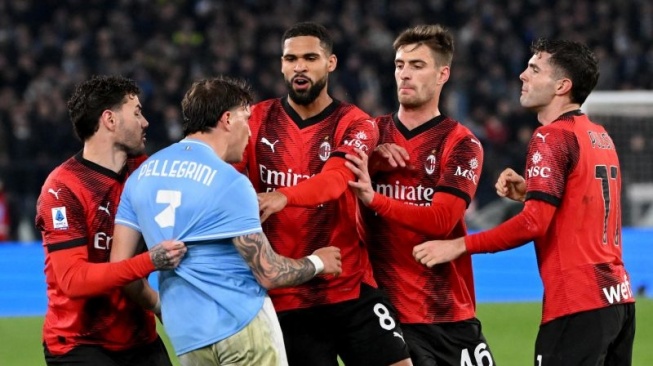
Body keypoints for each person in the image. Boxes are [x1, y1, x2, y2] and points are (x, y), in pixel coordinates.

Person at [413, 38, 636, 366]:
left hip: (578, 302)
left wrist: (459, 246)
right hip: (618, 299)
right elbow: (586, 203)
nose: (522, 75)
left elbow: (534, 223)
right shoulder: (599, 135)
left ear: (562, 86)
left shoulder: (551, 136)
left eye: (534, 69)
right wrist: (532, 191)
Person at [110, 76, 343, 366]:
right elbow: (269, 272)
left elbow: (121, 272)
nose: (251, 132)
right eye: (247, 119)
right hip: (243, 326)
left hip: (187, 336)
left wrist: (160, 305)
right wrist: (318, 262)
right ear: (228, 119)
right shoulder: (229, 181)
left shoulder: (141, 177)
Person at [235, 21, 412, 366]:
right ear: (282, 64)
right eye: (291, 59)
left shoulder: (356, 123)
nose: (299, 66)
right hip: (287, 297)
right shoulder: (254, 121)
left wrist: (281, 196)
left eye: (310, 58)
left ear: (330, 63)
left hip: (349, 286)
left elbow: (335, 180)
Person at [345, 24, 496, 366]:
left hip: (446, 310)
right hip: (384, 314)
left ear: (443, 74)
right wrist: (371, 162)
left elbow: (442, 220)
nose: (405, 74)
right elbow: (334, 187)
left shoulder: (461, 144)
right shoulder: (369, 133)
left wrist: (376, 199)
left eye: (417, 65)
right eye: (399, 65)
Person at [34, 75, 187, 366]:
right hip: (80, 343)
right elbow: (73, 280)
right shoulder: (64, 187)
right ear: (110, 120)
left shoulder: (144, 171)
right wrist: (150, 262)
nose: (145, 122)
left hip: (139, 337)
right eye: (137, 112)